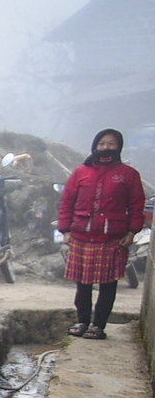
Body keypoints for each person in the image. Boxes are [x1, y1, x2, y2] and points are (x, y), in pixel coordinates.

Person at [57, 128, 146, 340]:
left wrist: (133, 231)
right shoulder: (80, 172)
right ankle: (82, 321)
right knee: (83, 285)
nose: (106, 148)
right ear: (95, 146)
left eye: (111, 144)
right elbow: (67, 201)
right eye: (102, 144)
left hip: (112, 238)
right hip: (81, 236)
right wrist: (65, 230)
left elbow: (136, 204)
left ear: (119, 147)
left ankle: (98, 326)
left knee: (108, 285)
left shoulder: (128, 175)